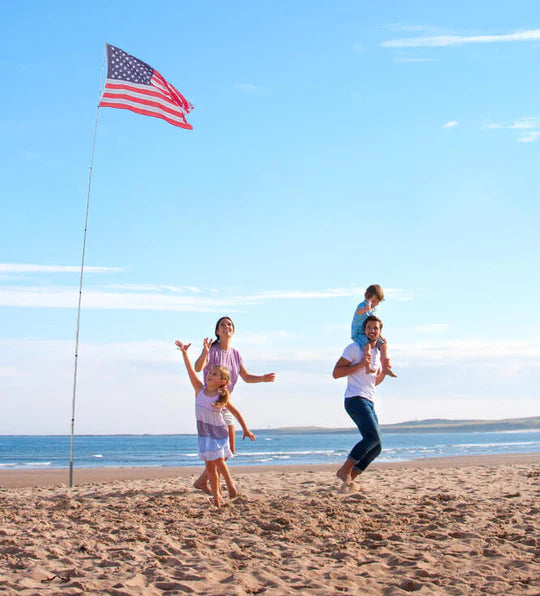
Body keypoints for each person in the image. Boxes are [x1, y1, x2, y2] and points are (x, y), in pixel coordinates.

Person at [192, 316, 275, 492]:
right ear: (217, 331)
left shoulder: (236, 354)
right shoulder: (212, 350)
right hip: (210, 403)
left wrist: (262, 379)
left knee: (229, 449)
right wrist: (204, 352)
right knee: (221, 451)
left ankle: (202, 482)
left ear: (233, 331)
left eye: (229, 325)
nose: (226, 327)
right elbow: (198, 368)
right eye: (222, 325)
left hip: (224, 401)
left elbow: (245, 377)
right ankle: (226, 487)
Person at [175, 340, 256, 507]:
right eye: (209, 372)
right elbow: (191, 371)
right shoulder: (199, 389)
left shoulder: (221, 396)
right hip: (204, 435)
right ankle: (217, 497)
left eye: (214, 374)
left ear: (222, 381)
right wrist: (184, 354)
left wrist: (246, 429)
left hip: (219, 434)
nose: (209, 375)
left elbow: (236, 413)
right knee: (210, 468)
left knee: (220, 461)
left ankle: (230, 487)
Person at [333, 316, 390, 491]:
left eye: (376, 328)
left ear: (380, 332)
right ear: (364, 330)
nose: (372, 331)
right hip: (354, 399)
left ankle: (349, 481)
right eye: (369, 328)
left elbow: (373, 381)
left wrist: (384, 372)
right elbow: (336, 373)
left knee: (377, 446)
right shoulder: (354, 349)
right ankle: (344, 470)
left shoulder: (377, 352)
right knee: (371, 437)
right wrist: (359, 365)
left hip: (368, 399)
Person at [351, 284, 396, 377]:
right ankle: (367, 365)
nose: (375, 304)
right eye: (374, 301)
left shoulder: (373, 309)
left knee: (383, 345)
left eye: (377, 302)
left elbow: (373, 323)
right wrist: (366, 308)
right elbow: (359, 312)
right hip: (359, 334)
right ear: (368, 298)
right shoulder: (362, 306)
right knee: (367, 345)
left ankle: (385, 367)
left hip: (368, 333)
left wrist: (379, 335)